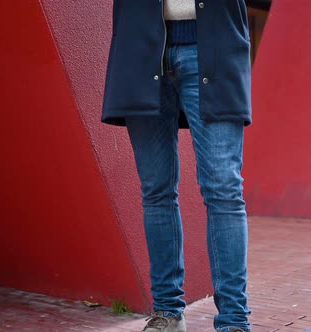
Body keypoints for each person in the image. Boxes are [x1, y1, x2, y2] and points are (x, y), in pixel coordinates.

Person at [101, 1, 252, 331]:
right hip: (141, 47)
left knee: (224, 188)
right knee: (156, 189)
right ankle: (167, 313)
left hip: (215, 46)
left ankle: (234, 322)